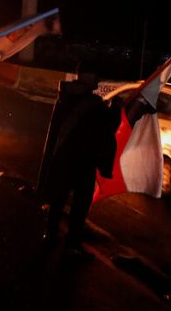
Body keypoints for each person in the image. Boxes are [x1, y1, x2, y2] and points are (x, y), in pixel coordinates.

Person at [38, 64, 121, 259]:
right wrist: (117, 107)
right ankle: (72, 245)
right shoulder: (92, 104)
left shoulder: (65, 96)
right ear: (84, 76)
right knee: (79, 206)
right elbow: (108, 125)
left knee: (58, 201)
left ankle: (50, 236)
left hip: (63, 159)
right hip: (84, 162)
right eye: (94, 74)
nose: (97, 79)